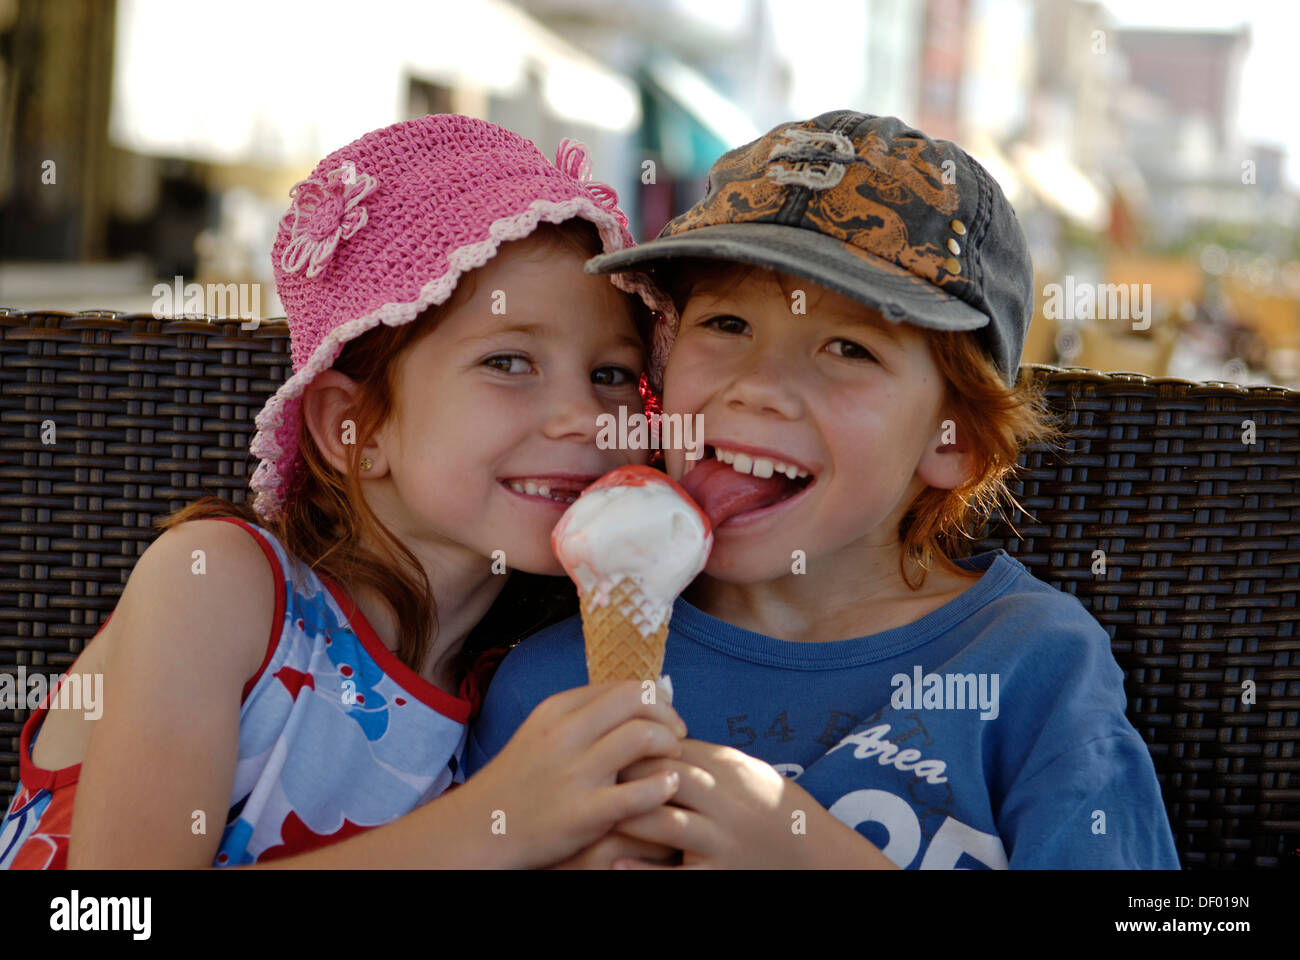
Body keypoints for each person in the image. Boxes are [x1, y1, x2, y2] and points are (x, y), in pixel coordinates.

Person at [466, 111, 1183, 869]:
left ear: (955, 440)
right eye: (728, 322)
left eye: (849, 347)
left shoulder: (1028, 665)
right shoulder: (551, 688)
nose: (758, 387)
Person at [0, 114, 690, 869]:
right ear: (353, 426)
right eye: (509, 361)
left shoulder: (522, 681)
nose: (583, 418)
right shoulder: (216, 585)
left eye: (612, 374)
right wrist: (495, 825)